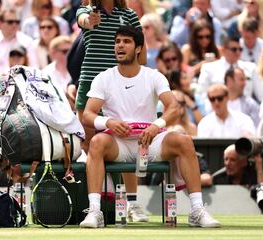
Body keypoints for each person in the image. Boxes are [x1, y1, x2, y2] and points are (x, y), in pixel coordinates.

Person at [79, 25, 220, 228]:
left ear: (138, 48)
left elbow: (173, 108)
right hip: (118, 143)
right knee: (97, 142)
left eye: (126, 41)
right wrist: (108, 122)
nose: (120, 45)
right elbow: (88, 115)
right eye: (117, 42)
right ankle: (95, 211)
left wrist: (156, 126)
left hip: (151, 141)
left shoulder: (154, 76)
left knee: (184, 141)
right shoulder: (103, 78)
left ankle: (196, 210)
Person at [75, 0, 146, 151]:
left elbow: (142, 56)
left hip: (119, 85)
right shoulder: (85, 11)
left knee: (124, 142)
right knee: (87, 144)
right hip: (90, 82)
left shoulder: (129, 15)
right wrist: (89, 20)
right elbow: (84, 21)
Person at [198, 36, 263, 105]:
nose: (238, 52)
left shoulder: (250, 68)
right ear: (223, 50)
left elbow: (262, 94)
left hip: (245, 110)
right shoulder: (209, 68)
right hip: (218, 109)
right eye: (234, 49)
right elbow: (202, 95)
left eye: (240, 49)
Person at [0, 8, 37, 81]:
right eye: (10, 22)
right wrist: (4, 80)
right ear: (0, 23)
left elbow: (34, 68)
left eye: (17, 22)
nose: (14, 25)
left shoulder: (27, 41)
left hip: (23, 85)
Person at [212, 143, 263, 210]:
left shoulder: (254, 174)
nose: (227, 164)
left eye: (232, 160)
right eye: (226, 159)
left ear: (244, 162)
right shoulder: (217, 178)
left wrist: (259, 166)